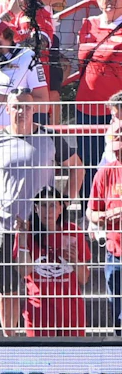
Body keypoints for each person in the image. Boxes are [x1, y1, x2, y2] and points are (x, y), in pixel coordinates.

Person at [0, 94, 59, 335]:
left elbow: (76, 167)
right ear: (7, 109)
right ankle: (9, 340)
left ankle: (43, 341)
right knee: (7, 288)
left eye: (25, 106)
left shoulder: (50, 136)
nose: (21, 111)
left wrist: (63, 203)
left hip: (41, 227)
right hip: (7, 226)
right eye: (16, 107)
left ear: (34, 108)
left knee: (45, 286)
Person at [20, 192, 94, 337]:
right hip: (39, 310)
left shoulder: (73, 231)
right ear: (36, 208)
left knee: (74, 358)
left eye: (53, 205)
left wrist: (75, 261)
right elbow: (24, 271)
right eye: (43, 205)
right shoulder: (26, 233)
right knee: (40, 358)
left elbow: (84, 278)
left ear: (61, 208)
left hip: (70, 310)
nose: (48, 211)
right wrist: (22, 240)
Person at [73, 0, 122, 179]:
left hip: (116, 109)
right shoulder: (88, 24)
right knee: (87, 161)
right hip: (86, 104)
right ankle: (88, 209)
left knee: (115, 161)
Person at [86, 104, 122, 332]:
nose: (117, 150)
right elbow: (91, 212)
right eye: (115, 146)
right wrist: (107, 215)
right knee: (117, 317)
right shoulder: (105, 172)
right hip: (115, 255)